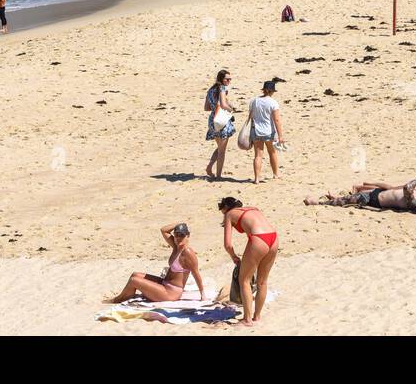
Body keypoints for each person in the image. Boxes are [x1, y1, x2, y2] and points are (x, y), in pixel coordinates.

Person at [107, 223, 205, 304]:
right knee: (135, 274)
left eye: (182, 235)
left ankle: (118, 299)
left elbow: (196, 273)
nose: (178, 238)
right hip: (164, 284)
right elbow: (163, 230)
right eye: (176, 235)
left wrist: (202, 294)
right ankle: (127, 296)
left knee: (134, 280)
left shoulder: (187, 252)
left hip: (171, 292)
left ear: (188, 235)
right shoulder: (176, 247)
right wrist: (179, 223)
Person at [218, 198, 278, 326]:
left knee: (244, 280)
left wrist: (233, 256)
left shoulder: (229, 214)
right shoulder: (253, 208)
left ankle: (247, 319)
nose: (223, 216)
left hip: (258, 239)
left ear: (226, 208)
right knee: (262, 281)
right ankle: (257, 317)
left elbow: (227, 245)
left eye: (223, 212)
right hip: (273, 237)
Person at [248, 80, 285, 183]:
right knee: (272, 152)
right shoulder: (273, 102)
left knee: (258, 155)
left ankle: (256, 178)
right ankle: (276, 173)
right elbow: (276, 120)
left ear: (264, 90)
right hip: (268, 131)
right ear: (272, 91)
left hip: (256, 130)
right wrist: (280, 135)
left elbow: (250, 116)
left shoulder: (254, 101)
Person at [204, 69, 236, 180]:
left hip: (212, 120)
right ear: (221, 79)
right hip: (221, 120)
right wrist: (231, 109)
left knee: (219, 147)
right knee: (222, 151)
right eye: (227, 79)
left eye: (230, 79)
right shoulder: (222, 88)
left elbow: (206, 107)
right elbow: (223, 104)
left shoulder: (210, 90)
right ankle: (218, 176)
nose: (229, 81)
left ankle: (209, 167)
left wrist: (216, 107)